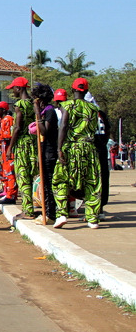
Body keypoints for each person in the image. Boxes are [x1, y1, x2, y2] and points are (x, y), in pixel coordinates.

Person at [53, 78, 102, 229]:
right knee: (92, 182)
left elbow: (64, 126)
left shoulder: (67, 105)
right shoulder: (93, 109)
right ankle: (92, 218)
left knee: (60, 180)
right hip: (89, 148)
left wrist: (59, 149)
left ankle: (62, 214)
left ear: (73, 90)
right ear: (86, 91)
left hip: (71, 148)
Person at [7, 76, 38, 218]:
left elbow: (18, 127)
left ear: (19, 88)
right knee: (34, 175)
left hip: (22, 144)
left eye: (14, 88)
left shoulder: (20, 104)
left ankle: (27, 209)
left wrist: (10, 147)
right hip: (34, 142)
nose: (13, 91)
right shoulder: (34, 103)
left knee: (23, 176)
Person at [32, 84, 59, 223]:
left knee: (49, 183)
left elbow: (45, 131)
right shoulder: (44, 112)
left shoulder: (49, 112)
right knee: (45, 183)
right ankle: (48, 211)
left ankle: (50, 214)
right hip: (44, 150)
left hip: (50, 151)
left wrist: (37, 114)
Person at [0, 100, 17, 204]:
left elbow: (8, 136)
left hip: (8, 149)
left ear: (3, 110)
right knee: (6, 172)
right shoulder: (3, 120)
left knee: (10, 172)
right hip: (4, 149)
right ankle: (7, 192)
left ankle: (11, 195)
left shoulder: (8, 119)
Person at [94, 110, 111, 220]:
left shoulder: (86, 111)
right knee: (103, 177)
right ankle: (99, 210)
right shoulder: (102, 115)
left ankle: (95, 211)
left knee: (92, 179)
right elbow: (108, 130)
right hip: (102, 149)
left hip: (92, 149)